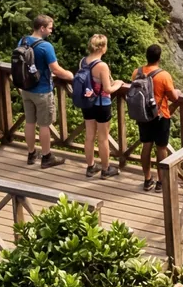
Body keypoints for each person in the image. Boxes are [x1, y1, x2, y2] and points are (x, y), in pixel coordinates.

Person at [16, 14, 72, 167]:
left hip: (26, 89)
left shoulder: (23, 41)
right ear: (42, 28)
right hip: (42, 91)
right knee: (44, 125)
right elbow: (56, 69)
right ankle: (47, 157)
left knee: (29, 122)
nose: (51, 31)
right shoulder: (46, 46)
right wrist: (71, 75)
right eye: (49, 28)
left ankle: (31, 153)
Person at [130, 43, 178, 191]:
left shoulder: (136, 72)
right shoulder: (164, 75)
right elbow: (173, 97)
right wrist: (178, 92)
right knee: (161, 148)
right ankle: (161, 182)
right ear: (159, 58)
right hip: (160, 115)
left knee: (146, 145)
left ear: (147, 56)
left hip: (143, 115)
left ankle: (147, 179)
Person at [75, 33, 119, 179]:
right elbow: (108, 88)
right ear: (102, 48)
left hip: (87, 102)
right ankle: (106, 169)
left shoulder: (83, 61)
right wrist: (118, 84)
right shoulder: (102, 66)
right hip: (101, 103)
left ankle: (90, 166)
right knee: (103, 137)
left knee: (89, 135)